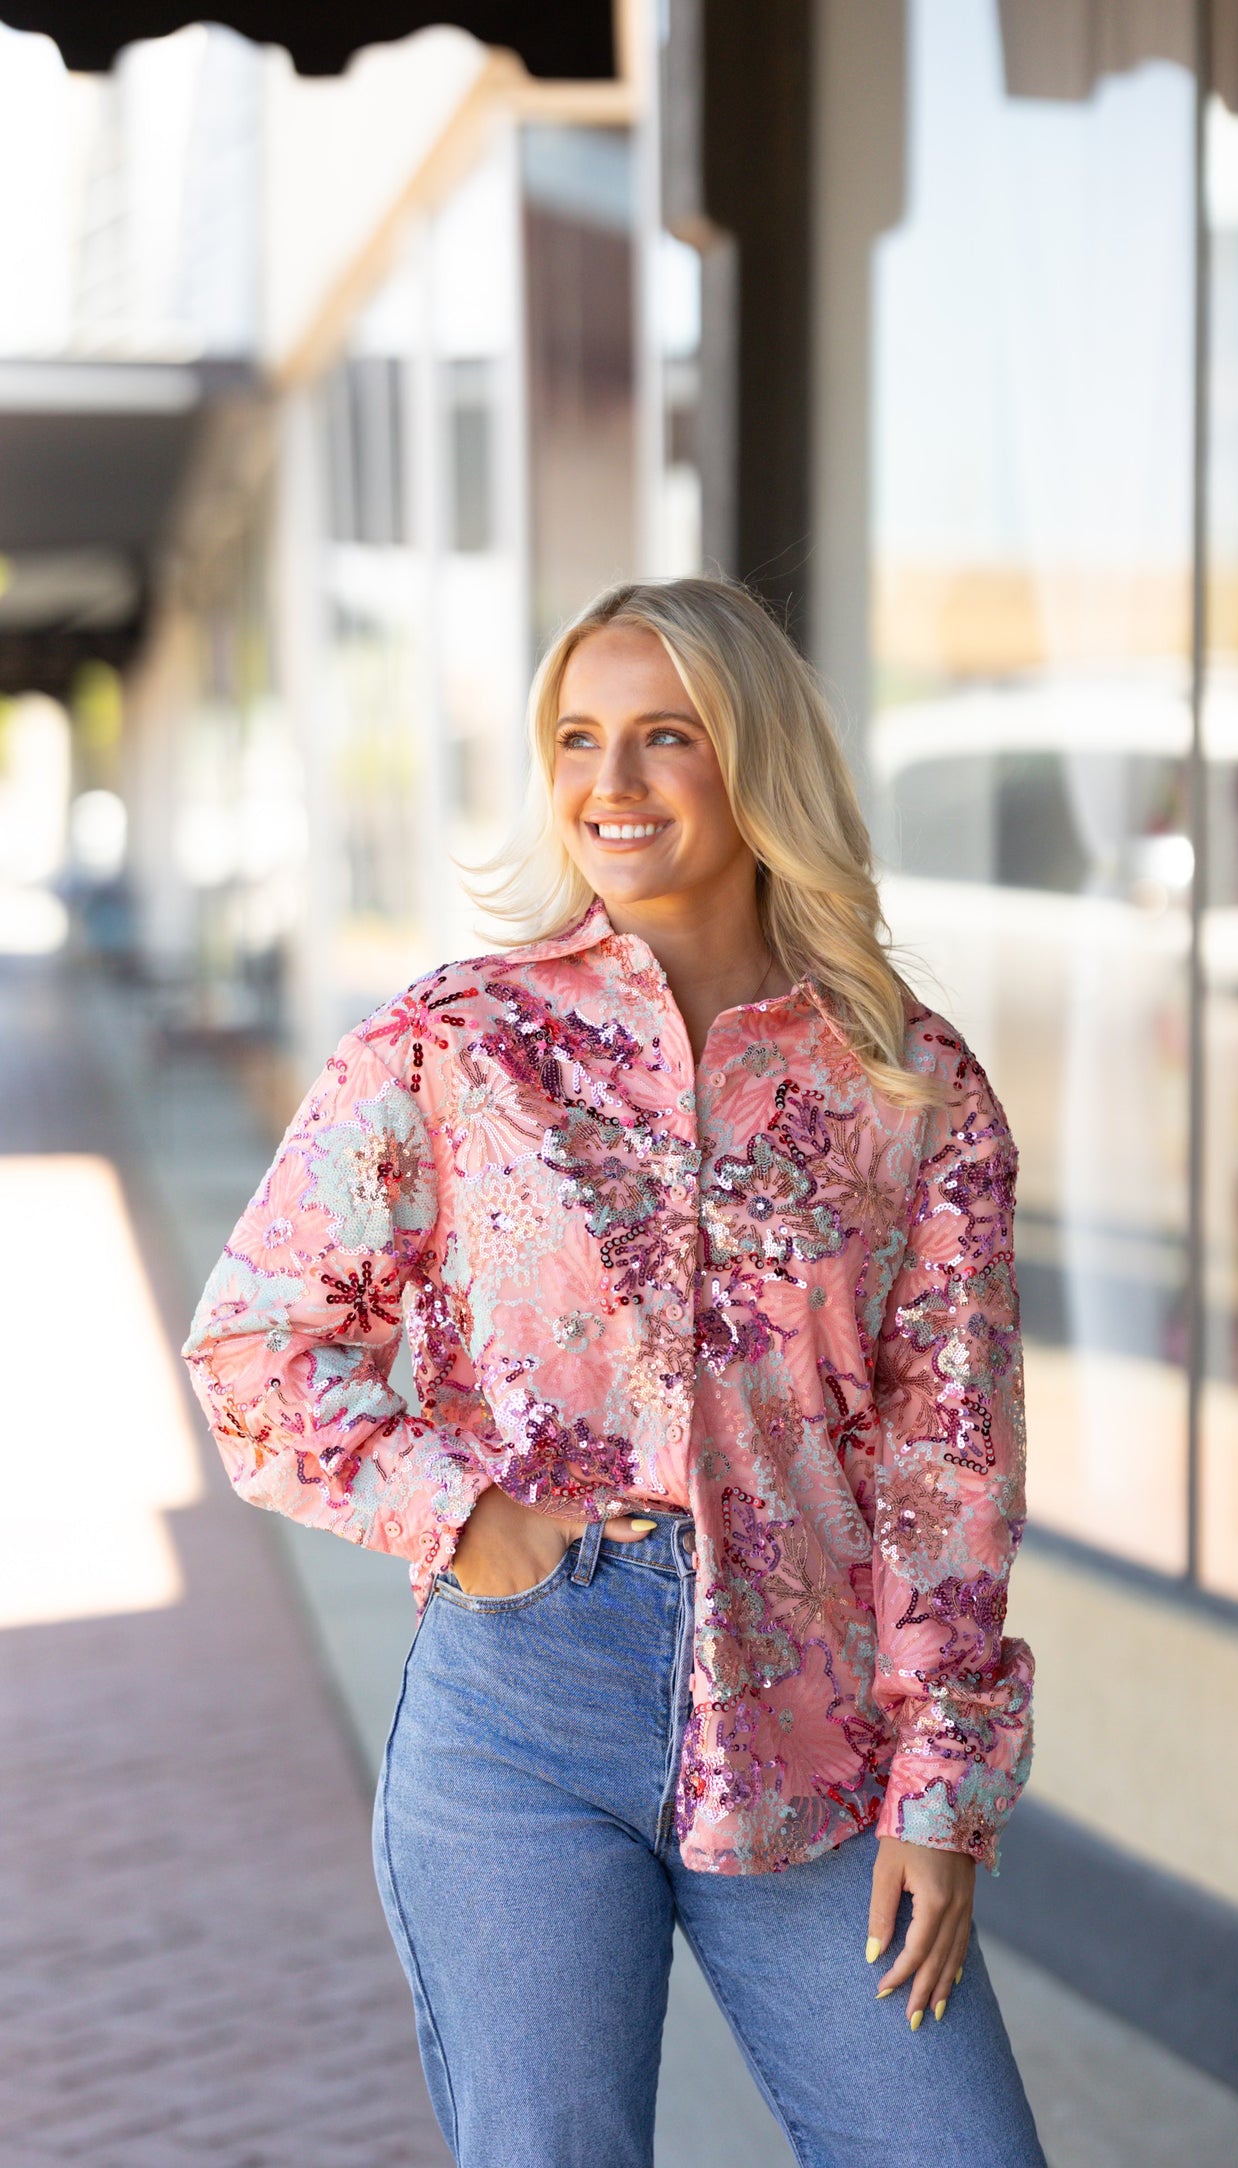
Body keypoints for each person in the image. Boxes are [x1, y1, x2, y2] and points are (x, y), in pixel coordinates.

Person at [184, 576, 1043, 2167]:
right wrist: (473, 1517)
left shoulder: (906, 1086)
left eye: (666, 738)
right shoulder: (456, 1044)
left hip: (816, 1724)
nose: (611, 785)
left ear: (757, 759)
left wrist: (945, 1783)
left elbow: (951, 1461)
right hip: (520, 1708)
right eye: (577, 739)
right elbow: (257, 1342)